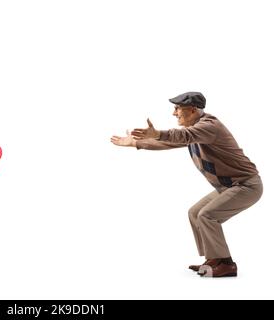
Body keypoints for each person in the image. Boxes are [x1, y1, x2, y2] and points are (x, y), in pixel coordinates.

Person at [110, 92, 263, 277]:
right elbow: (169, 142)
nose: (174, 113)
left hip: (246, 185)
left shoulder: (209, 126)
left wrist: (158, 133)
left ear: (192, 110)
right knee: (194, 213)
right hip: (228, 187)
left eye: (177, 109)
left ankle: (227, 264)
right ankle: (214, 259)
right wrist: (136, 142)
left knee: (207, 215)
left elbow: (181, 136)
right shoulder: (197, 131)